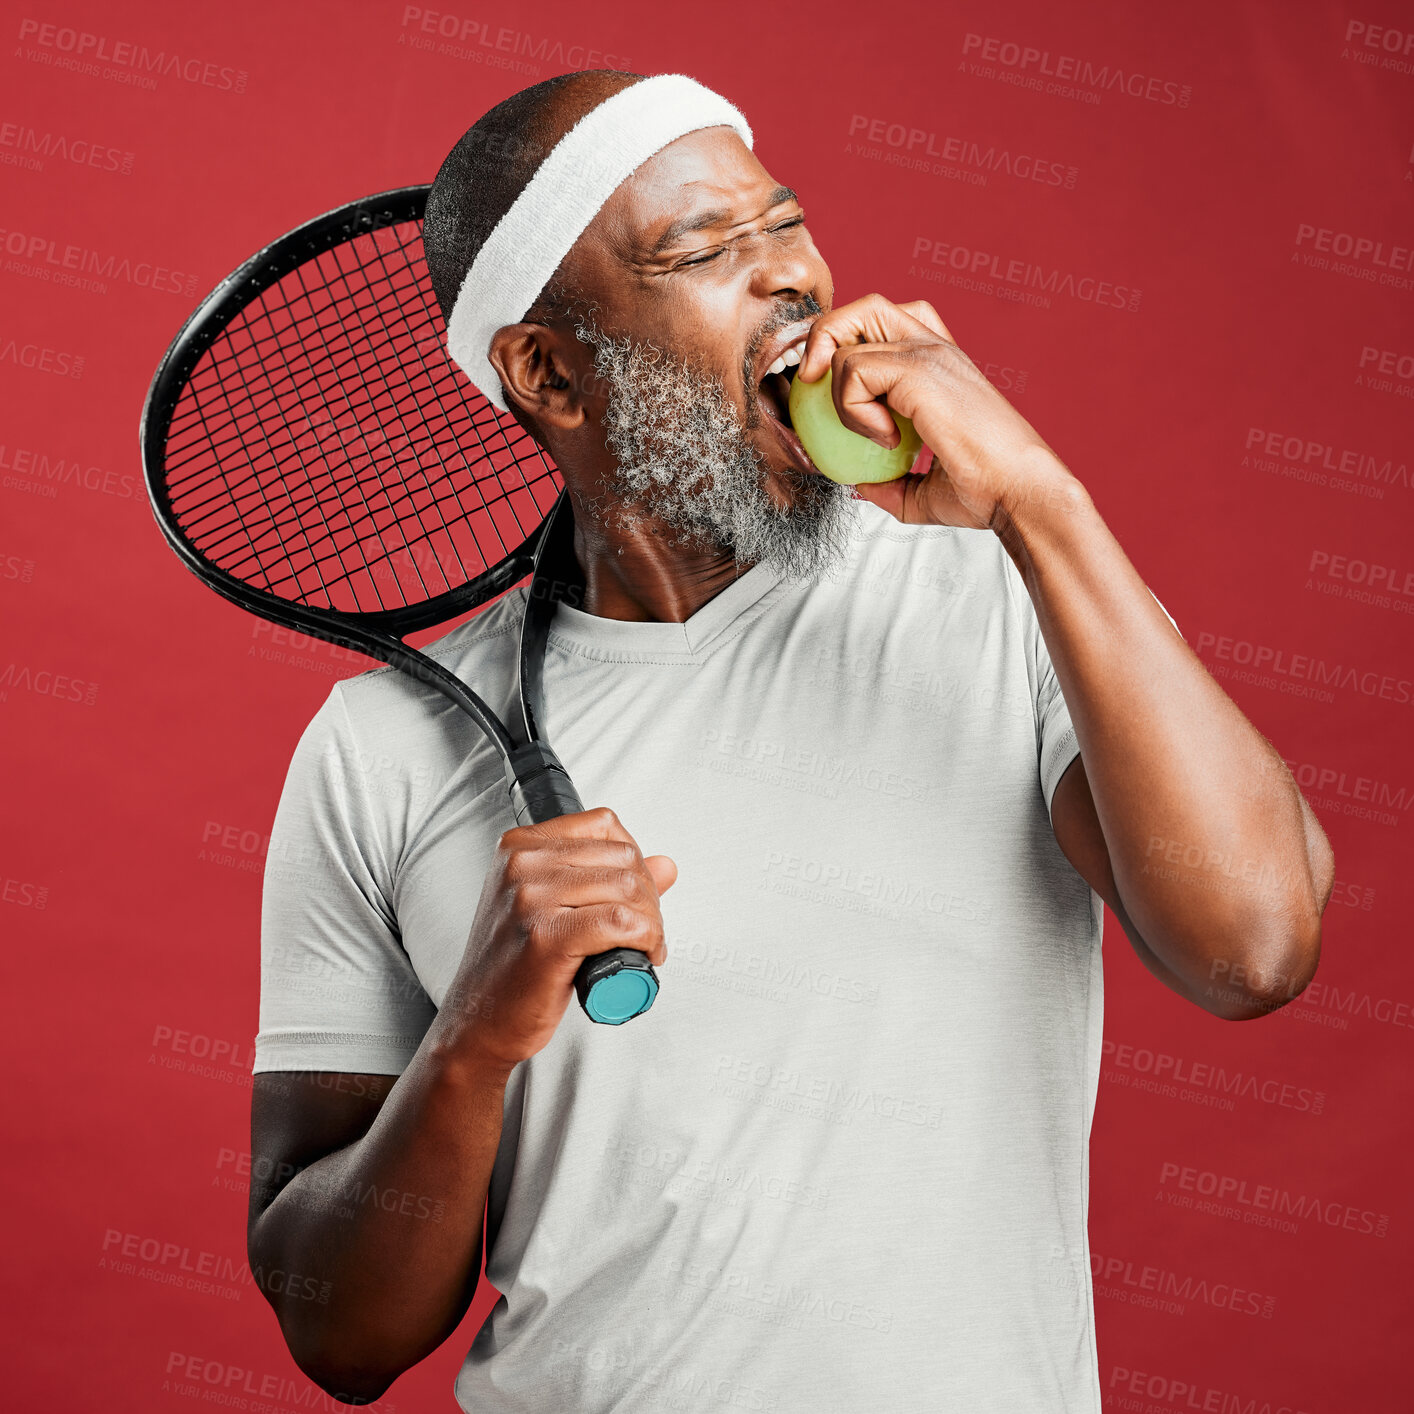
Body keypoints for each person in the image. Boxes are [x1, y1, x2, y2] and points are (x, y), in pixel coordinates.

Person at [246, 70, 1332, 1412]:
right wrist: (471, 1037)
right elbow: (336, 1333)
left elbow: (1252, 945)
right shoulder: (384, 748)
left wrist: (1044, 505)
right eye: (704, 250)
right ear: (548, 372)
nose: (790, 279)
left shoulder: (1002, 595)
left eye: (784, 222)